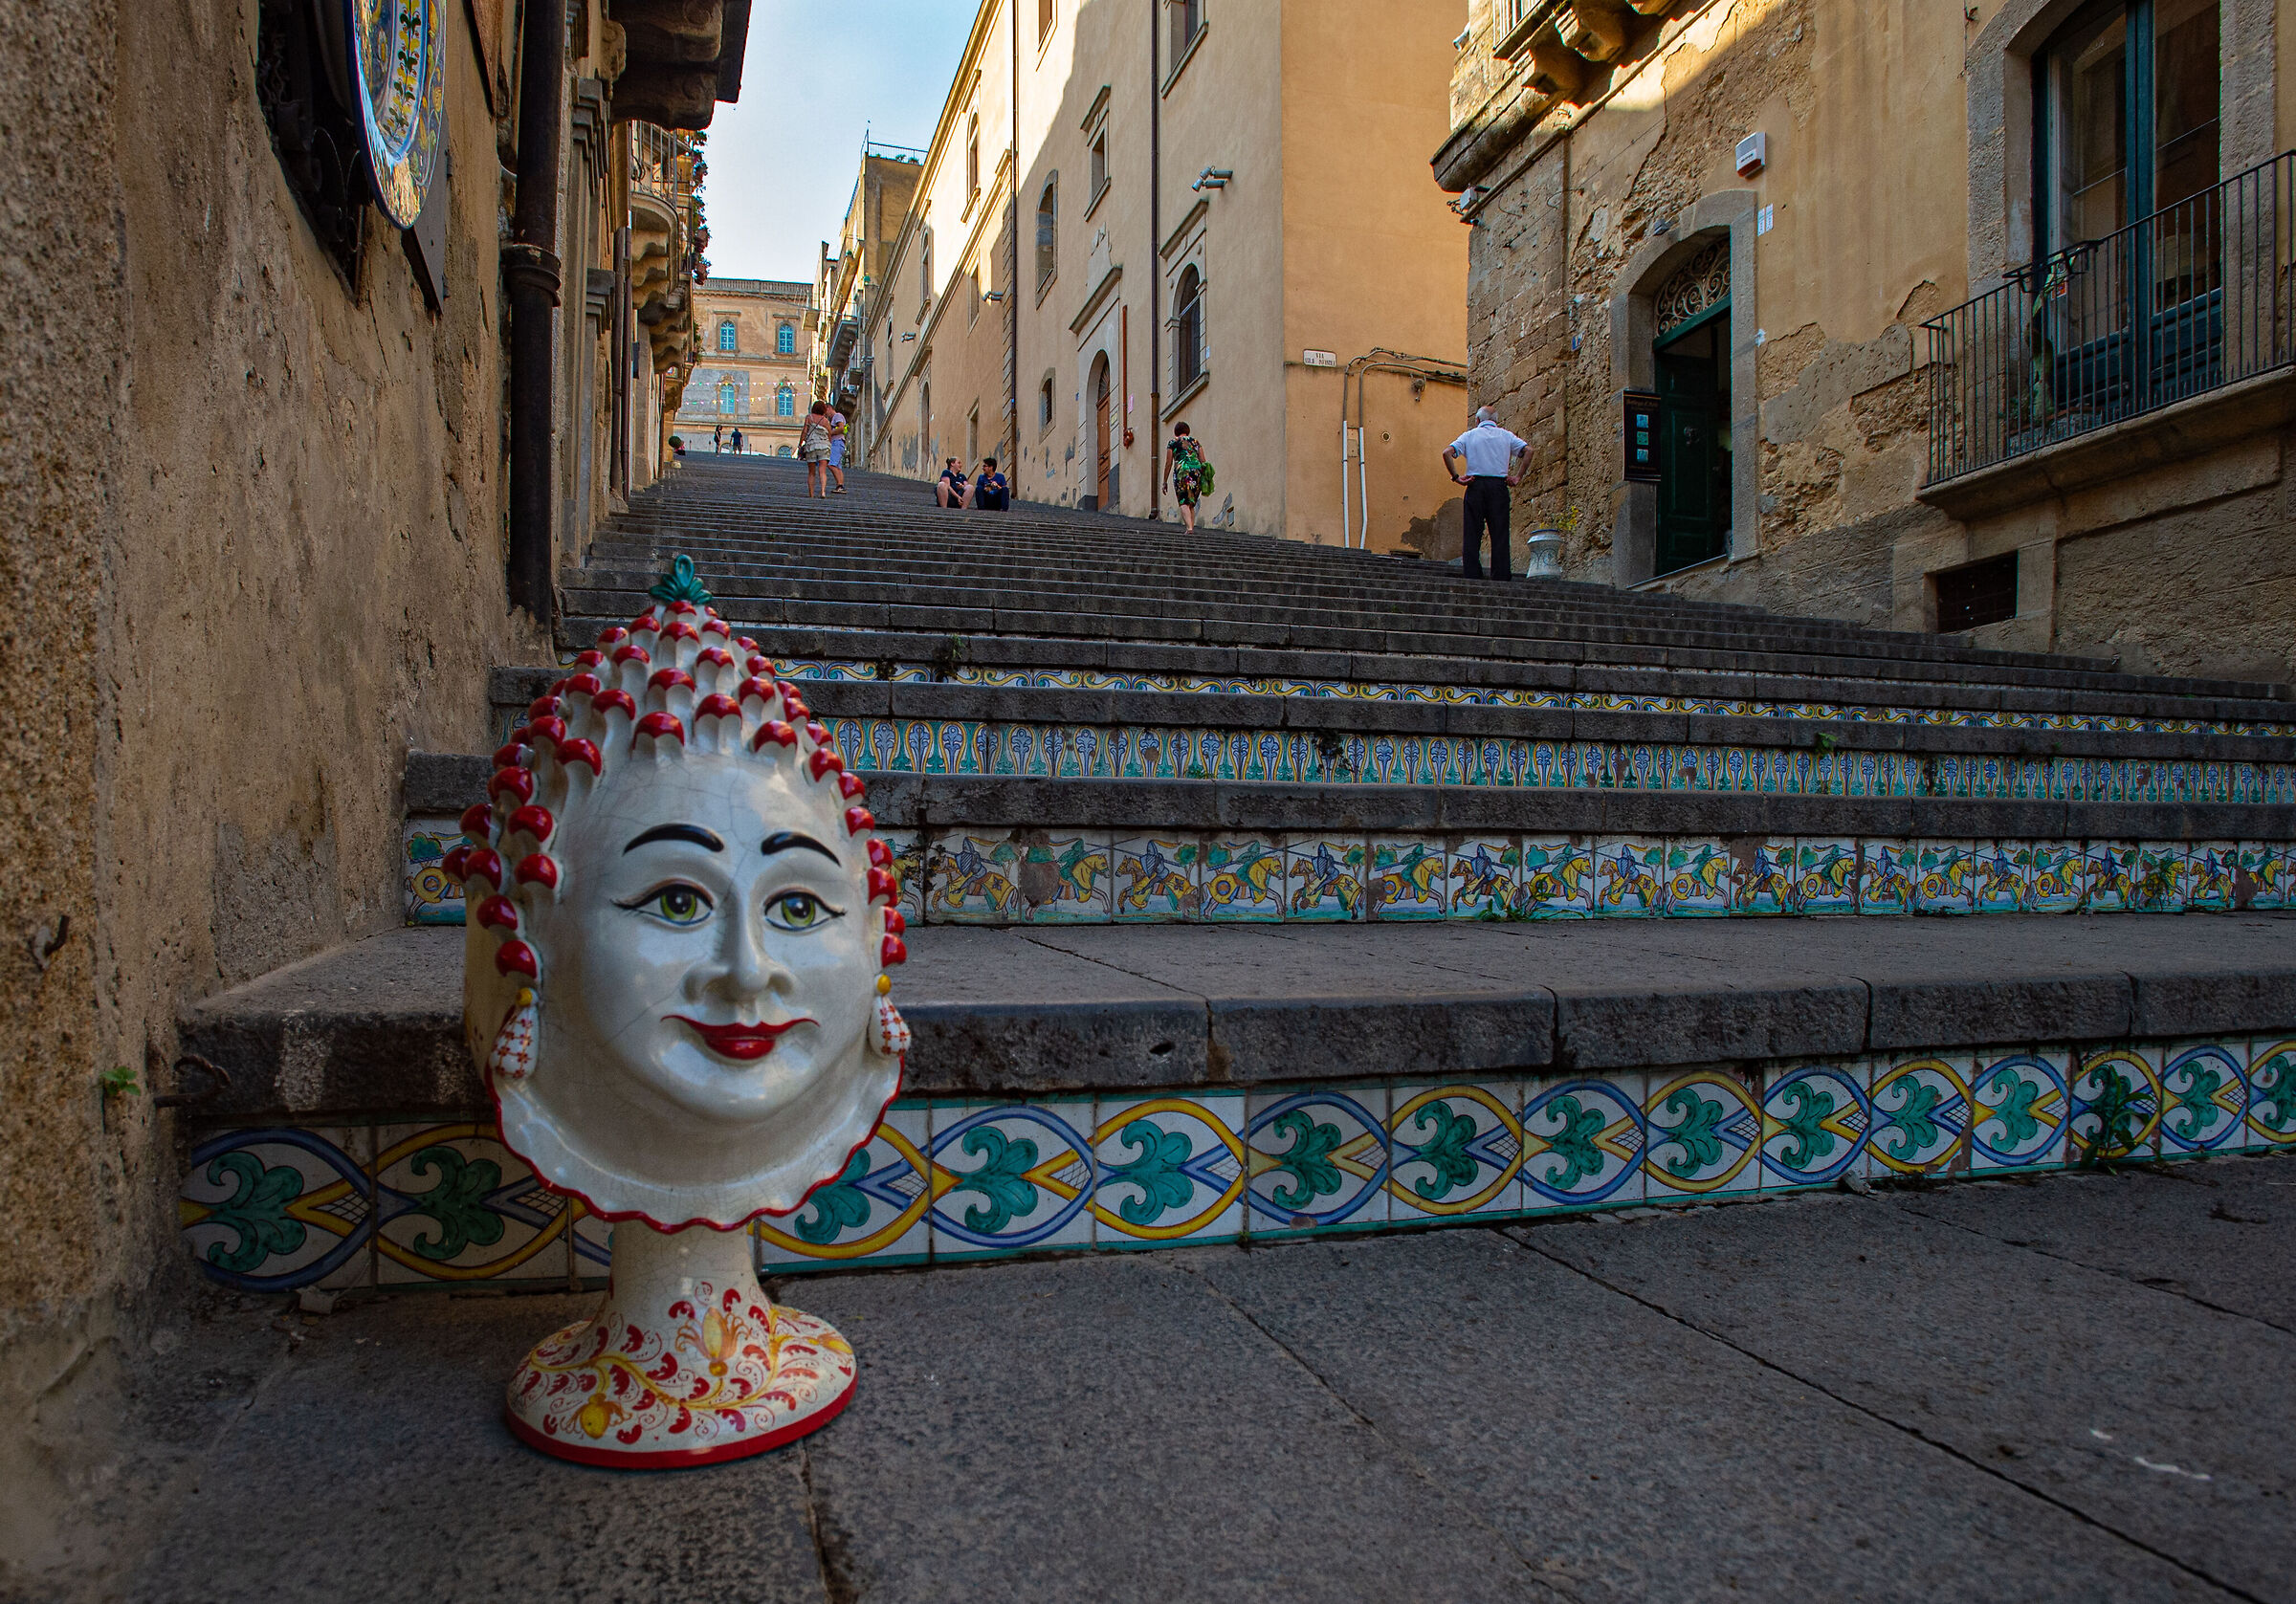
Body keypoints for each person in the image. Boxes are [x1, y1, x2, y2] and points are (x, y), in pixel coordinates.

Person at [1442, 405, 1529, 581]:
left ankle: (1472, 573)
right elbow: (1529, 450)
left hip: (1476, 485)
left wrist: (1456, 477)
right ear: (1496, 421)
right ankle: (1501, 575)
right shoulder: (1506, 435)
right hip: (1498, 486)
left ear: (1478, 420)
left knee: (1472, 531)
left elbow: (1447, 453)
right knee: (1500, 532)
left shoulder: (1470, 435)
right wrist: (1518, 476)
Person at [1161, 421, 1205, 532]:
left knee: (1183, 501)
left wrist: (1164, 481)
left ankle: (1189, 528)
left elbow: (1168, 463)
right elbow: (1203, 461)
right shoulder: (1196, 442)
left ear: (1176, 432)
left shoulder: (1173, 443)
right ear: (1187, 431)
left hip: (1182, 472)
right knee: (1191, 502)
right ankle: (1190, 527)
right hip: (1196, 472)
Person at [800, 401, 833, 497]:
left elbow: (805, 431)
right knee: (822, 471)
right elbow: (829, 434)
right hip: (824, 445)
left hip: (812, 445)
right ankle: (823, 491)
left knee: (811, 472)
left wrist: (800, 443)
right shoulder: (826, 421)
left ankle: (811, 494)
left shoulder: (809, 418)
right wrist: (829, 444)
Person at [828, 407, 849, 493]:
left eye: (825, 411)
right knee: (838, 467)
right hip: (839, 443)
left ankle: (840, 485)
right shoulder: (835, 418)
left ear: (828, 408)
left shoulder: (837, 416)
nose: (826, 414)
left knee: (831, 464)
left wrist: (830, 433)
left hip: (837, 442)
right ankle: (840, 486)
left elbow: (841, 428)